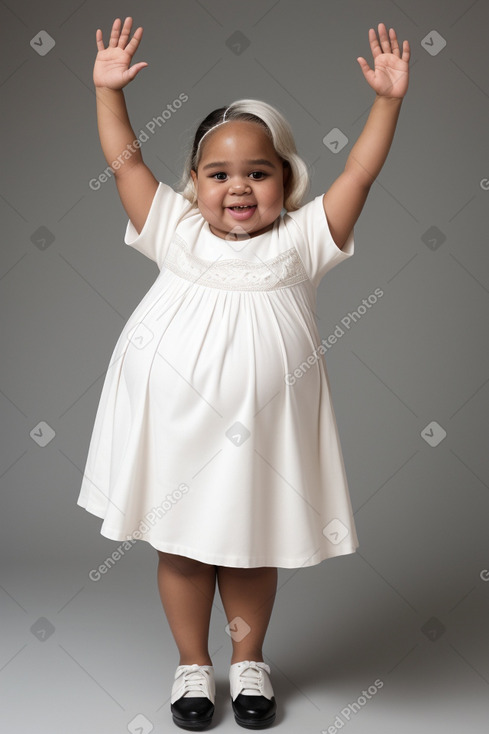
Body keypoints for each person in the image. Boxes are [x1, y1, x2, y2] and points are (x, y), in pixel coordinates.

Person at [77, 16, 410, 731]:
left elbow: (359, 171)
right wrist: (108, 92)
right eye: (218, 174)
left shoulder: (304, 240)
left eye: (257, 173)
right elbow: (124, 163)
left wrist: (386, 103)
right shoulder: (173, 227)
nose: (237, 188)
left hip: (262, 433)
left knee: (253, 544)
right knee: (184, 546)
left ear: (285, 180)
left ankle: (249, 659)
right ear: (192, 182)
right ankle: (194, 666)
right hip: (172, 420)